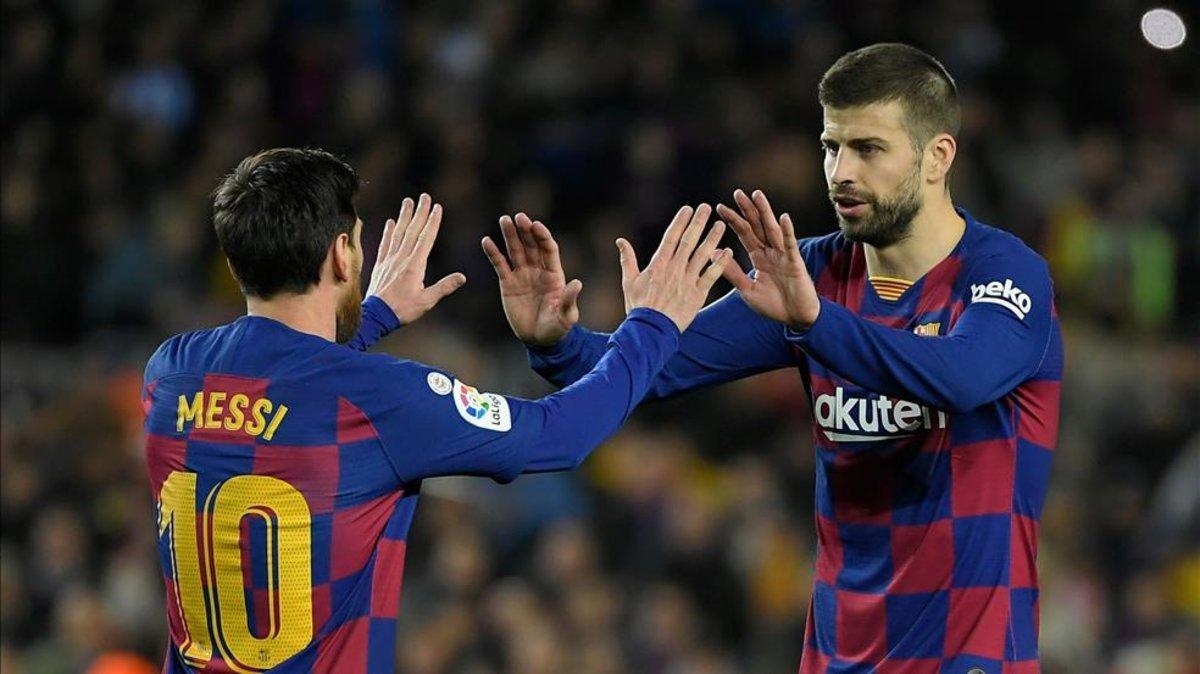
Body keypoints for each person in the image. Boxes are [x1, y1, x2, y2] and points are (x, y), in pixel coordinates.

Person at [489, 43, 1062, 673]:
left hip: (967, 656)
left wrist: (814, 321)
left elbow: (964, 376)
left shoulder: (1003, 272)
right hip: (838, 658)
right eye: (830, 146)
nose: (841, 172)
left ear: (937, 157)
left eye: (868, 149)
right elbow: (651, 373)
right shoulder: (809, 276)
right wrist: (557, 343)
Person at [141, 147, 731, 673]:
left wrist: (375, 316)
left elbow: (285, 390)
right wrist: (653, 325)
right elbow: (558, 435)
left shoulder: (169, 376)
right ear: (343, 255)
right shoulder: (383, 399)